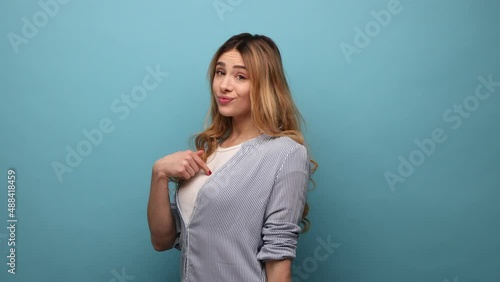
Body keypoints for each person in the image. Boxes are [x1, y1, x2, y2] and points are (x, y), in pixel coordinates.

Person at [147, 33, 317, 282]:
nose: (224, 85)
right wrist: (159, 174)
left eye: (240, 76)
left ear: (265, 84)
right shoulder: (208, 152)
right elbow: (162, 241)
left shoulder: (285, 153)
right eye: (220, 72)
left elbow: (278, 260)